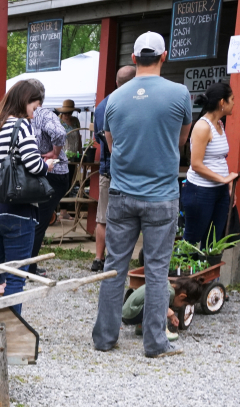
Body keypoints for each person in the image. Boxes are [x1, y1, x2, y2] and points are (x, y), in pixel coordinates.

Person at [93, 32, 193, 359]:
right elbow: (181, 142)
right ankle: (155, 343)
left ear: (134, 59)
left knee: (114, 267)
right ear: (164, 57)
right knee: (156, 270)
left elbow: (110, 143)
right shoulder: (180, 94)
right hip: (161, 195)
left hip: (122, 193)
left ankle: (105, 338)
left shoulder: (114, 100)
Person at [0, 81, 52, 312]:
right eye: (34, 108)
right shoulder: (21, 126)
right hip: (16, 212)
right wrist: (48, 166)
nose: (34, 115)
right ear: (25, 102)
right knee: (15, 277)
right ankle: (12, 333)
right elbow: (35, 166)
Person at [92, 65, 138, 272]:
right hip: (131, 171)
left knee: (103, 217)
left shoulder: (102, 106)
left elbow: (96, 139)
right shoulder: (136, 102)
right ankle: (120, 259)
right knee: (127, 218)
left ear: (116, 82)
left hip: (106, 169)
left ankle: (98, 258)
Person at [182, 82, 239, 245]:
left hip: (220, 191)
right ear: (222, 102)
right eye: (232, 99)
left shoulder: (220, 124)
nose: (234, 103)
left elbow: (220, 159)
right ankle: (183, 270)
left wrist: (228, 187)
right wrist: (222, 179)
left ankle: (210, 270)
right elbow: (196, 164)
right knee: (192, 240)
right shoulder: (202, 126)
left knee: (214, 241)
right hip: (200, 191)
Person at [27, 79, 68, 276]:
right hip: (45, 173)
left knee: (36, 219)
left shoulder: (34, 114)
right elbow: (59, 133)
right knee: (36, 220)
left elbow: (59, 133)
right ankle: (29, 265)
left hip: (43, 173)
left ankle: (28, 265)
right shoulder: (37, 114)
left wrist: (54, 152)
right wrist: (54, 153)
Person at [122, 277, 203, 341]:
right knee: (160, 307)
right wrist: (168, 312)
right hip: (131, 314)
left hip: (129, 312)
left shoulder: (166, 285)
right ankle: (161, 331)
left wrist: (171, 315)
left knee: (159, 306)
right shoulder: (168, 292)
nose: (181, 306)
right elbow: (157, 305)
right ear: (182, 296)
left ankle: (142, 327)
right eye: (184, 304)